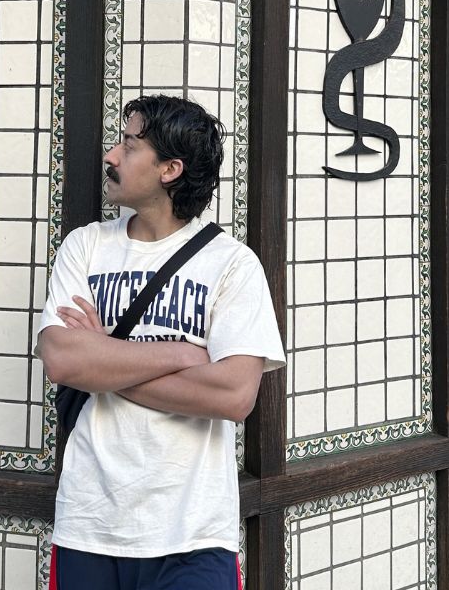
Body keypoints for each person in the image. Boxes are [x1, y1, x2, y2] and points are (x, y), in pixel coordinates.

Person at [35, 94, 285, 590]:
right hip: (90, 525)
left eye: (128, 145)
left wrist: (105, 359)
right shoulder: (85, 246)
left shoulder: (231, 264)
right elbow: (62, 360)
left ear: (170, 168)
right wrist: (179, 355)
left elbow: (234, 396)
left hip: (192, 534)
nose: (110, 156)